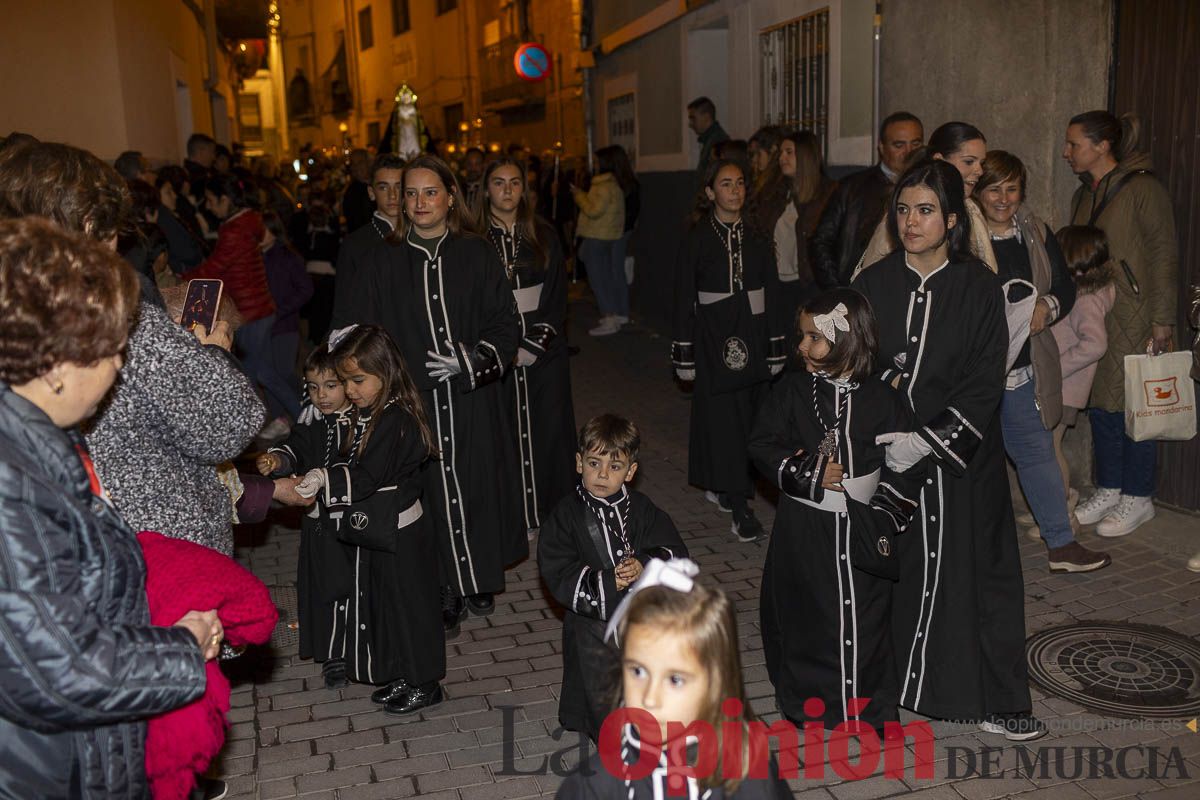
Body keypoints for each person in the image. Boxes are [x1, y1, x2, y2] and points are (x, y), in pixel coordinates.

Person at [0, 216, 220, 798]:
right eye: (111, 352)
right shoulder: (13, 482)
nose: (120, 367)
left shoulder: (36, 443)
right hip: (47, 771)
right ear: (53, 365)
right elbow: (62, 669)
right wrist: (184, 648)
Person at [0, 140, 267, 559]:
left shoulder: (14, 302)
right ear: (89, 225)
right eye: (112, 233)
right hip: (156, 548)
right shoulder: (110, 313)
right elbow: (228, 423)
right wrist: (210, 352)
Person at [852, 159, 1044, 740]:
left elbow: (986, 377)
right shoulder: (871, 284)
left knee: (976, 580)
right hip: (891, 455)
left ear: (953, 221)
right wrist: (887, 431)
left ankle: (988, 699)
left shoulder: (979, 286)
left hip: (962, 462)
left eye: (926, 211)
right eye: (904, 210)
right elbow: (855, 367)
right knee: (889, 573)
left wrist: (931, 439)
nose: (912, 222)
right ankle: (886, 688)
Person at [333, 154, 524, 632]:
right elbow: (356, 329)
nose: (418, 202)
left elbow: (505, 321)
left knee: (476, 482)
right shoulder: (383, 260)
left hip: (470, 397)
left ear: (451, 196)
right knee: (429, 493)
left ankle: (476, 577)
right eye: (410, 193)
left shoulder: (476, 252)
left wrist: (474, 359)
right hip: (412, 402)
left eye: (430, 192)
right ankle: (443, 586)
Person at [750, 289, 923, 731]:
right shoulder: (791, 391)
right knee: (808, 615)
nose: (801, 347)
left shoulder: (885, 399)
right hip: (805, 526)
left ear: (845, 340)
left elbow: (904, 464)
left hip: (865, 525)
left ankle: (870, 706)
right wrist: (807, 471)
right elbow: (762, 445)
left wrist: (885, 513)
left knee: (868, 617)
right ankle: (811, 705)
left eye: (813, 338)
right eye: (801, 336)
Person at [290, 325, 447, 715]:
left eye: (358, 380)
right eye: (346, 381)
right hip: (380, 528)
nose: (352, 390)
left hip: (402, 531)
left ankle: (425, 681)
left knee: (411, 607)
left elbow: (368, 476)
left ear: (386, 372)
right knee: (386, 605)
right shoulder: (373, 412)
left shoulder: (395, 417)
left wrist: (325, 477)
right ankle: (400, 671)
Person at [973, 151, 1110, 573]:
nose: (1003, 198)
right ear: (977, 192)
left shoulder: (1033, 231)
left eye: (1012, 188)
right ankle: (966, 550)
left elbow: (1065, 287)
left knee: (1036, 454)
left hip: (1022, 371)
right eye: (993, 188)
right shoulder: (963, 236)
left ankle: (1061, 544)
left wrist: (1047, 308)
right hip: (973, 373)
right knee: (971, 459)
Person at [555, 559, 793, 800]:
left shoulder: (748, 770)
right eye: (638, 671)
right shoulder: (594, 787)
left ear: (715, 682)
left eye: (675, 679)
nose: (649, 698)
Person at [1063, 111, 1179, 537]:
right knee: (1101, 408)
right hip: (1093, 314)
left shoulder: (1145, 189)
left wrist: (1163, 320)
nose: (1067, 152)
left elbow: (1164, 256)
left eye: (1074, 144)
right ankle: (1111, 487)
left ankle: (1140, 495)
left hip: (1136, 316)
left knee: (1136, 408)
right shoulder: (1084, 194)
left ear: (1102, 146)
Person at [537, 415, 687, 741]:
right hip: (591, 620)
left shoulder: (642, 508)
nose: (603, 474)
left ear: (631, 472)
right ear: (579, 463)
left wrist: (645, 564)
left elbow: (674, 550)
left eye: (615, 467)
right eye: (594, 463)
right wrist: (607, 582)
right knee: (598, 681)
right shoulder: (565, 515)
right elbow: (557, 567)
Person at [672, 159, 784, 543]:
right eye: (725, 184)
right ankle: (738, 502)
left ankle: (731, 486)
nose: (734, 191)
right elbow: (684, 295)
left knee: (752, 415)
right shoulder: (698, 237)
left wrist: (775, 345)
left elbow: (771, 291)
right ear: (709, 193)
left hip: (752, 335)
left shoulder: (756, 233)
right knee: (721, 419)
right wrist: (684, 352)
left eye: (739, 183)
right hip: (713, 339)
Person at [476, 158, 577, 533]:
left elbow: (556, 295)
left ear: (524, 188)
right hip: (495, 353)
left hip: (543, 353)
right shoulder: (472, 241)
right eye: (498, 182)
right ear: (486, 189)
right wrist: (494, 349)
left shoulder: (545, 234)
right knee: (501, 433)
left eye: (514, 182)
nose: (506, 190)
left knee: (548, 431)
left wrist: (534, 344)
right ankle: (513, 514)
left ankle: (553, 513)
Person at [258, 343, 354, 688]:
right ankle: (333, 655)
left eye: (331, 386)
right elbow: (295, 448)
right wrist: (277, 460)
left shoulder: (363, 422)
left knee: (357, 587)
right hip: (320, 524)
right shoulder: (313, 422)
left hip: (358, 524)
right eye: (313, 387)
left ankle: (362, 647)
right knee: (325, 586)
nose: (322, 396)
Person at [184, 173, 300, 435]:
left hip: (250, 313)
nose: (210, 207)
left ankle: (263, 426)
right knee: (265, 372)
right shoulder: (247, 222)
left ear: (226, 199)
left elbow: (216, 266)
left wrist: (181, 280)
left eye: (212, 201)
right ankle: (297, 419)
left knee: (252, 374)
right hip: (259, 309)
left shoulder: (235, 229)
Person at [856, 121, 995, 277]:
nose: (979, 171)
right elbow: (874, 278)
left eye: (981, 163)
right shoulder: (901, 214)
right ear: (939, 160)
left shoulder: (972, 209)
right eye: (969, 162)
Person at [1051, 225, 1116, 531]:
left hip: (1063, 388)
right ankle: (1054, 505)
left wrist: (1055, 368)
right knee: (1048, 448)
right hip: (1062, 387)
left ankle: (1063, 516)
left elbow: (1095, 344)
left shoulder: (1086, 299)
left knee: (1049, 450)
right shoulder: (1084, 292)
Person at [812, 112, 923, 288]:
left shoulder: (931, 189)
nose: (908, 152)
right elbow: (821, 242)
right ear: (881, 147)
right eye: (899, 145)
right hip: (858, 290)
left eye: (915, 144)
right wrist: (838, 290)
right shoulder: (852, 187)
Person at [757, 130, 836, 337]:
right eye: (781, 152)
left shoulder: (828, 194)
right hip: (777, 283)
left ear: (805, 155)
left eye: (789, 152)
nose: (782, 158)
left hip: (808, 284)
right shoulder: (776, 193)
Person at [330, 153, 405, 326]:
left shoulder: (422, 235)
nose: (393, 195)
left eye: (399, 187)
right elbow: (343, 310)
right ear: (371, 193)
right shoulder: (354, 244)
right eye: (383, 187)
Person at [573, 146, 628, 336]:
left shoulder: (603, 186)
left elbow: (593, 210)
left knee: (599, 280)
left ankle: (609, 318)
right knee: (605, 276)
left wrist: (579, 196)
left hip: (597, 236)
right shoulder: (612, 184)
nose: (593, 165)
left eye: (596, 162)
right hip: (604, 236)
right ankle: (614, 315)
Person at [261, 210, 314, 393]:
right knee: (268, 376)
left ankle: (303, 403)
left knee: (283, 373)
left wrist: (280, 310)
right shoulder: (253, 258)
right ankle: (279, 418)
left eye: (263, 230)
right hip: (260, 326)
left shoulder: (288, 257)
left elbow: (306, 289)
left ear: (274, 231)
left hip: (284, 325)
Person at [155, 165, 206, 273]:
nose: (175, 196)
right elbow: (188, 254)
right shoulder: (164, 219)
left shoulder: (169, 215)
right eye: (168, 192)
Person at [687, 96, 730, 178]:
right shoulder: (710, 139)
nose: (690, 124)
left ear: (706, 117)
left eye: (693, 118)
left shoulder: (718, 141)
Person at [341, 148, 373, 233]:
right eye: (353, 164)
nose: (356, 167)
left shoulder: (377, 185)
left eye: (360, 162)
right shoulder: (352, 191)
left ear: (368, 163)